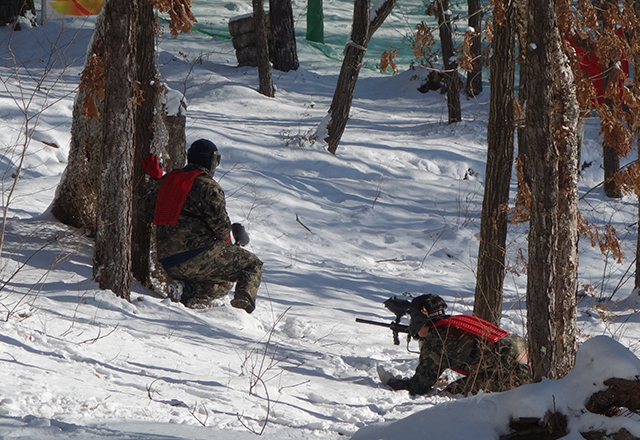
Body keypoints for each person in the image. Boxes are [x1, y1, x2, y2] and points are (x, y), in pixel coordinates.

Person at [142, 139, 262, 313]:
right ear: (212, 162)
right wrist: (230, 242)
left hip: (168, 262)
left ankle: (184, 289)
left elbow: (146, 213)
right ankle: (242, 309)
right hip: (197, 255)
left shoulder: (167, 181)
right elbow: (221, 229)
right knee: (252, 264)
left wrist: (154, 180)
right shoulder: (208, 187)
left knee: (224, 284)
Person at [379, 294, 530, 396]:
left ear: (420, 322)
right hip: (533, 365)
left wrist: (390, 381)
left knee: (452, 392)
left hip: (517, 378)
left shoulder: (437, 340)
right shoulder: (456, 323)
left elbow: (419, 386)